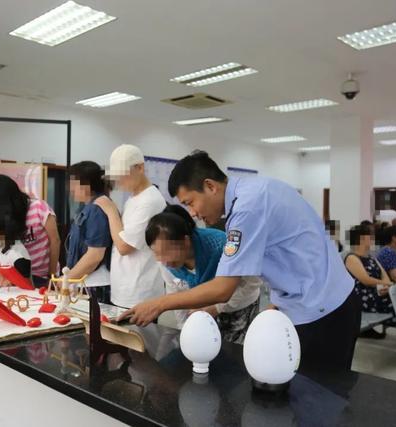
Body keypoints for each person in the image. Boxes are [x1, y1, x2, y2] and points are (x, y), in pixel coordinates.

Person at [119, 151, 360, 372]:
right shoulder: (254, 192)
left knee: (322, 396)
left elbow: (223, 289)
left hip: (324, 311)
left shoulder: (246, 209)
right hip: (312, 305)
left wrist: (159, 304)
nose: (192, 213)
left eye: (190, 202)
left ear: (210, 186)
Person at [146, 205, 262, 344]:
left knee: (232, 356)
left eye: (166, 252)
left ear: (186, 242)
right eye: (156, 253)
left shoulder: (222, 246)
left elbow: (252, 284)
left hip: (238, 308)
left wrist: (217, 308)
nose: (163, 261)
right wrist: (184, 329)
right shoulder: (165, 262)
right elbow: (175, 296)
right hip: (202, 312)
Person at [93, 145, 166, 308]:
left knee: (137, 334)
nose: (119, 181)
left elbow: (125, 246)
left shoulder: (150, 201)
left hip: (139, 292)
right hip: (126, 288)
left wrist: (111, 211)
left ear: (140, 168)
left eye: (123, 175)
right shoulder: (134, 198)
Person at [0, 175, 60, 287]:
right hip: (17, 278)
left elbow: (55, 240)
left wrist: (52, 275)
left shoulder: (39, 207)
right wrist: (2, 279)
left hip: (43, 277)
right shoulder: (4, 217)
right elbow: (2, 251)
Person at [65, 161, 113, 303]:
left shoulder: (96, 209)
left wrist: (66, 279)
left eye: (73, 183)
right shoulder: (86, 208)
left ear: (85, 184)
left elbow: (95, 256)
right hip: (85, 281)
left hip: (94, 285)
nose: (70, 189)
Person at [0, 185, 33, 288]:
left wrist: (10, 284)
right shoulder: (1, 243)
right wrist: (2, 281)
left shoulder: (18, 255)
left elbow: (27, 286)